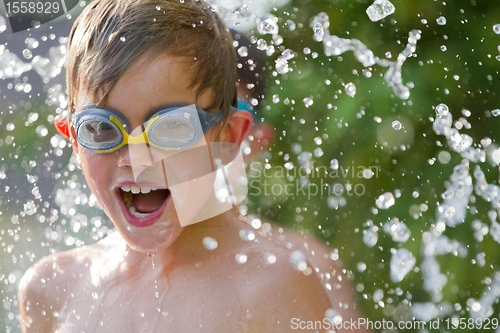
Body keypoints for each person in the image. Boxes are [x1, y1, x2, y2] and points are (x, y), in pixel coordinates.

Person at [17, 0, 332, 332]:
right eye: (102, 129)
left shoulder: (272, 288)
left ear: (227, 137)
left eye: (170, 128)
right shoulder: (52, 289)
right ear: (75, 142)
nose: (136, 160)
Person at [232, 31, 370, 333]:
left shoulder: (309, 264)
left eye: (232, 117)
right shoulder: (106, 270)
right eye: (193, 117)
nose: (211, 135)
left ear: (259, 139)